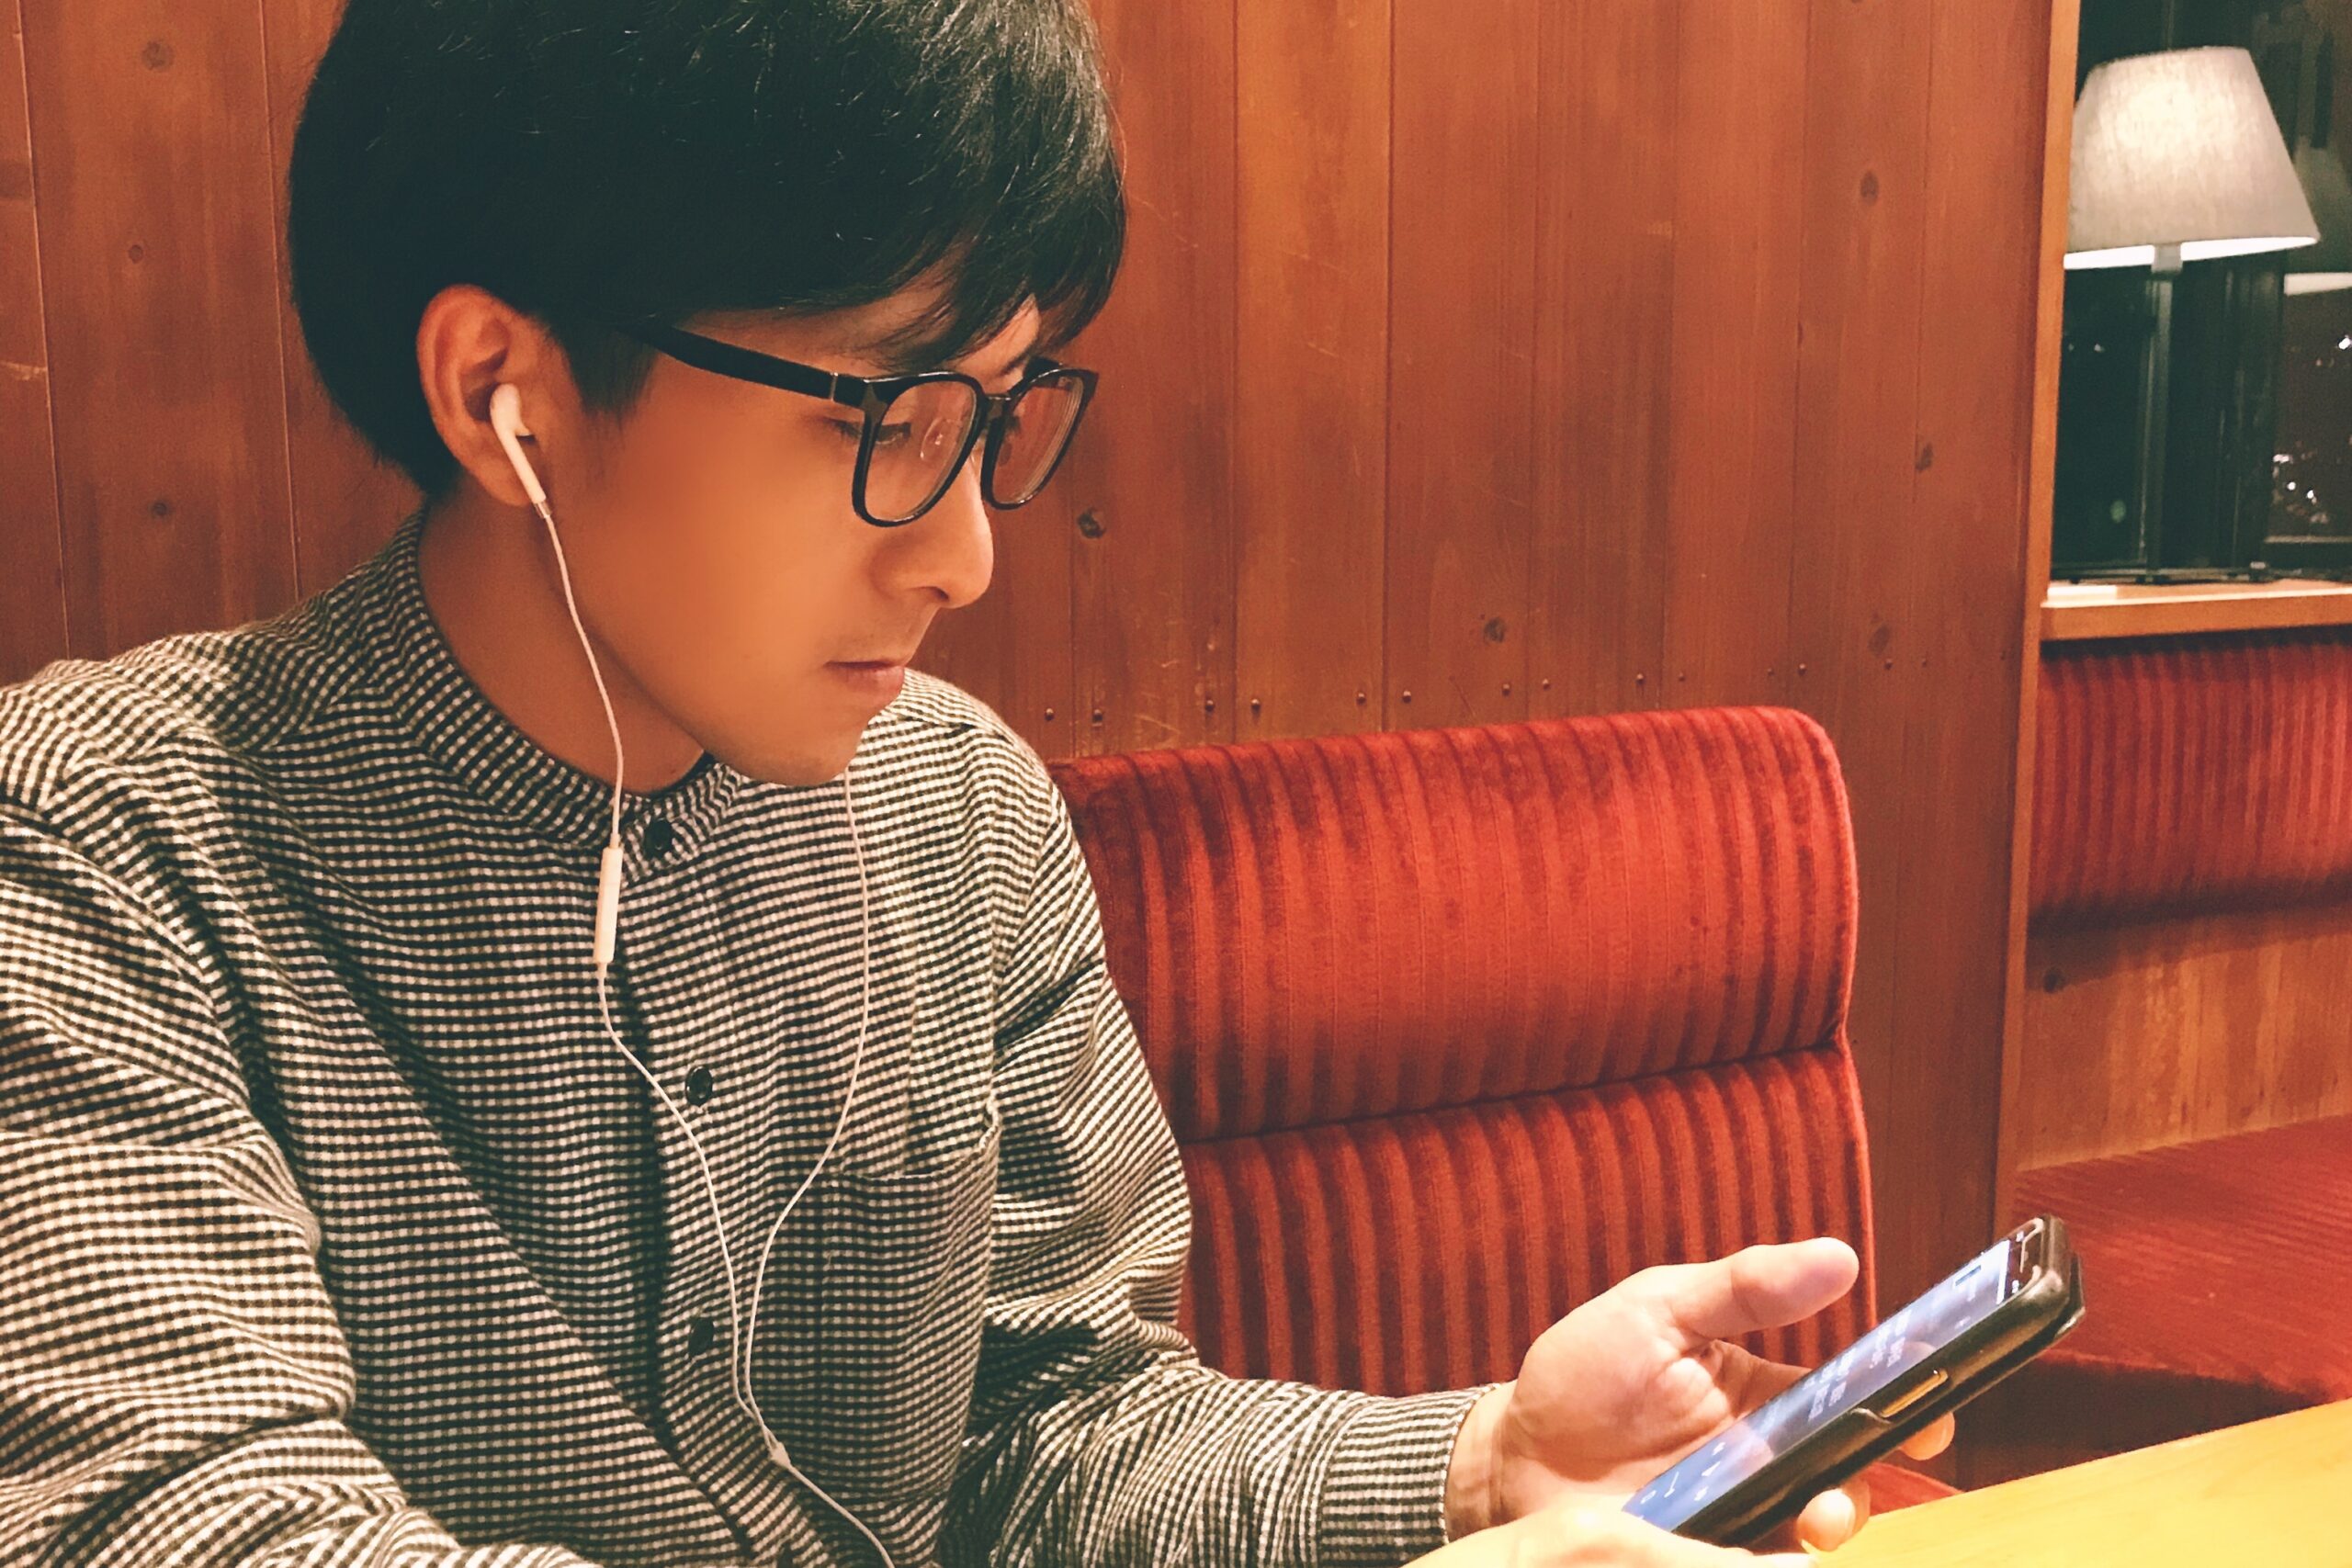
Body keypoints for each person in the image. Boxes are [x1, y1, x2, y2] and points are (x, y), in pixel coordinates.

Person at [0, 2, 1949, 1563]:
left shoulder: (952, 812)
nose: (962, 555)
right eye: (891, 418)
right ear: (502, 392)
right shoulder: (101, 842)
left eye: (997, 419)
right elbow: (184, 1521)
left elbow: (1052, 1429)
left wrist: (1480, 1459)